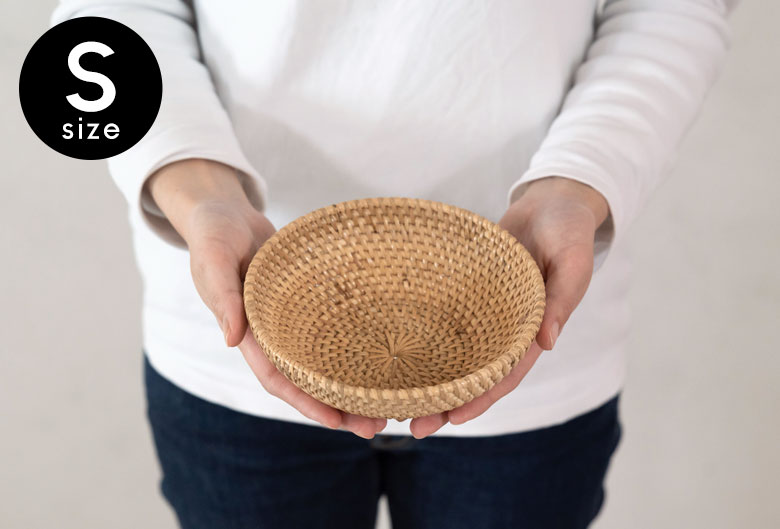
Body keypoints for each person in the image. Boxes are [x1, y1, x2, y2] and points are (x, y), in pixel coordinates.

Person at [52, 1, 736, 528]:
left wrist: (580, 181)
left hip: (537, 342)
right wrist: (198, 190)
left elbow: (670, 9)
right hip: (231, 340)